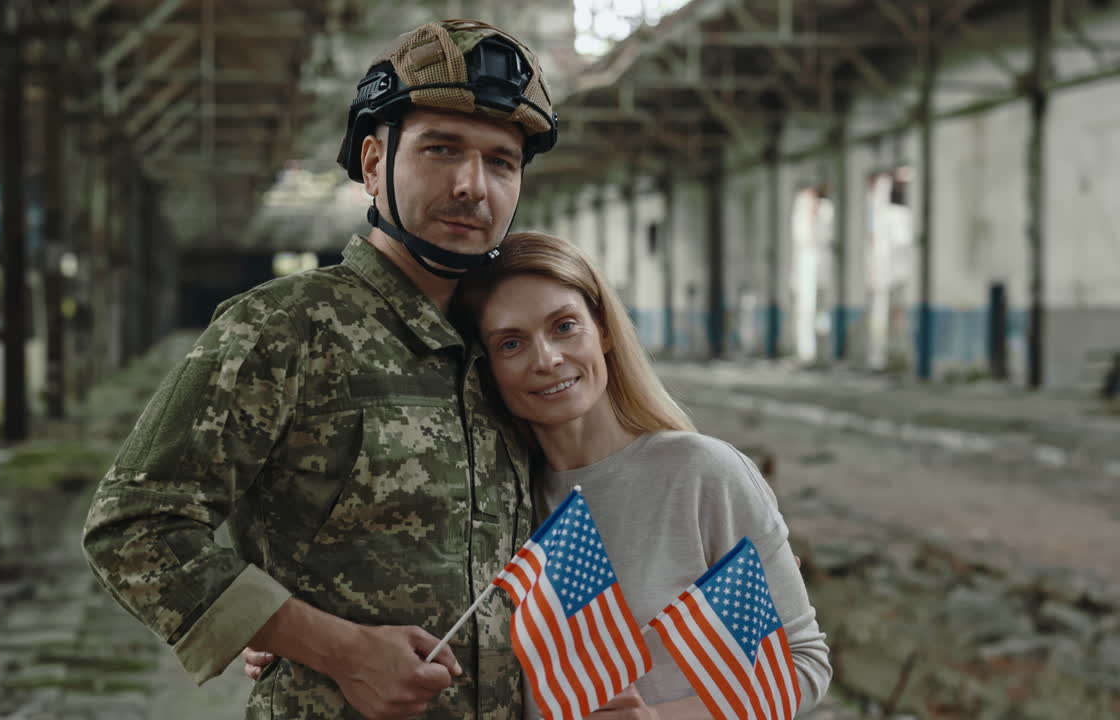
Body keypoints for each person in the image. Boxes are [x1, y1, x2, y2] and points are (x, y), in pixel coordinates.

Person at [83, 19, 559, 720]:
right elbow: (134, 527)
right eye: (441, 150)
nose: (471, 185)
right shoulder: (284, 328)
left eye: (501, 162)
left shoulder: (508, 341)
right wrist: (336, 647)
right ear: (373, 163)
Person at [248, 232, 832, 718]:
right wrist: (306, 644)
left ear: (602, 328)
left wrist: (661, 718)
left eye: (564, 326)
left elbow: (803, 660)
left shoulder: (701, 472)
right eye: (511, 343)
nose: (547, 358)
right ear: (485, 367)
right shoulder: (492, 496)